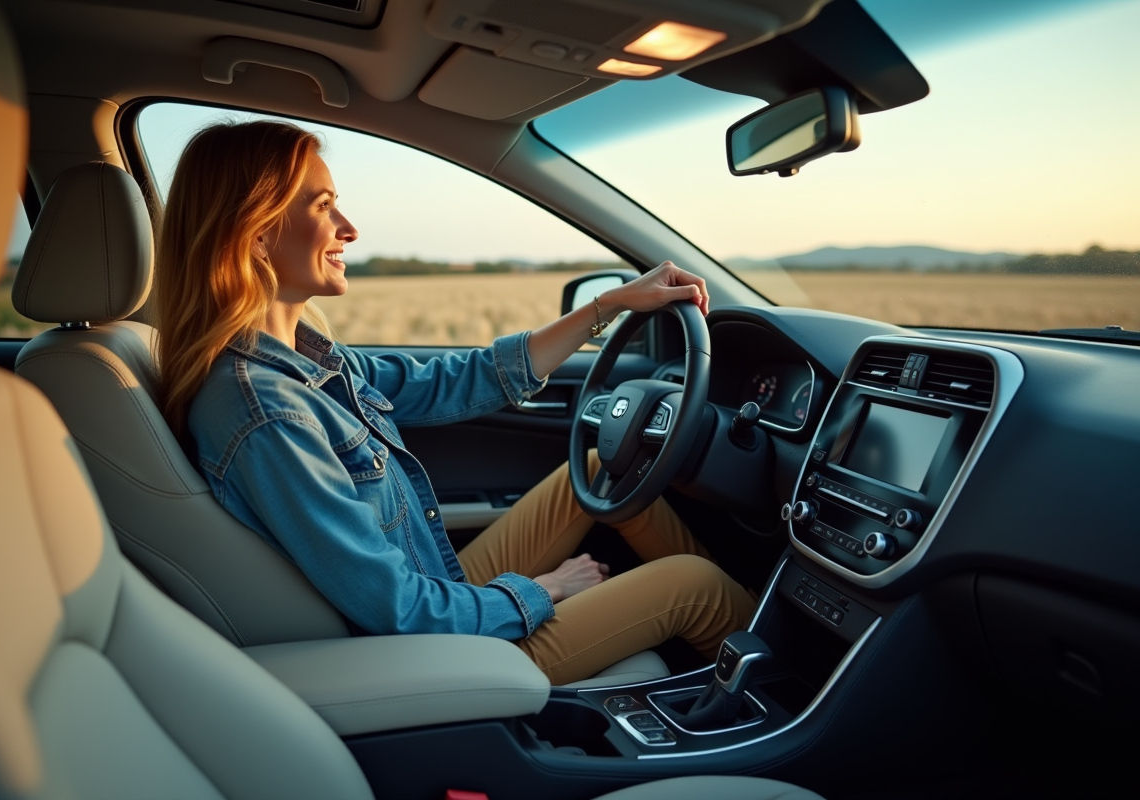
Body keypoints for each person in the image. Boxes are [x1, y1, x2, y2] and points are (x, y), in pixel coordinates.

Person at [154, 120, 754, 685]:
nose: (349, 228)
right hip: (429, 650)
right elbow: (396, 609)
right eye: (322, 205)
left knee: (599, 469)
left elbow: (454, 378)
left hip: (436, 593)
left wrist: (608, 305)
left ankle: (735, 652)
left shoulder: (307, 362)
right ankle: (792, 694)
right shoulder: (266, 412)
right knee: (693, 584)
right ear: (258, 234)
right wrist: (546, 589)